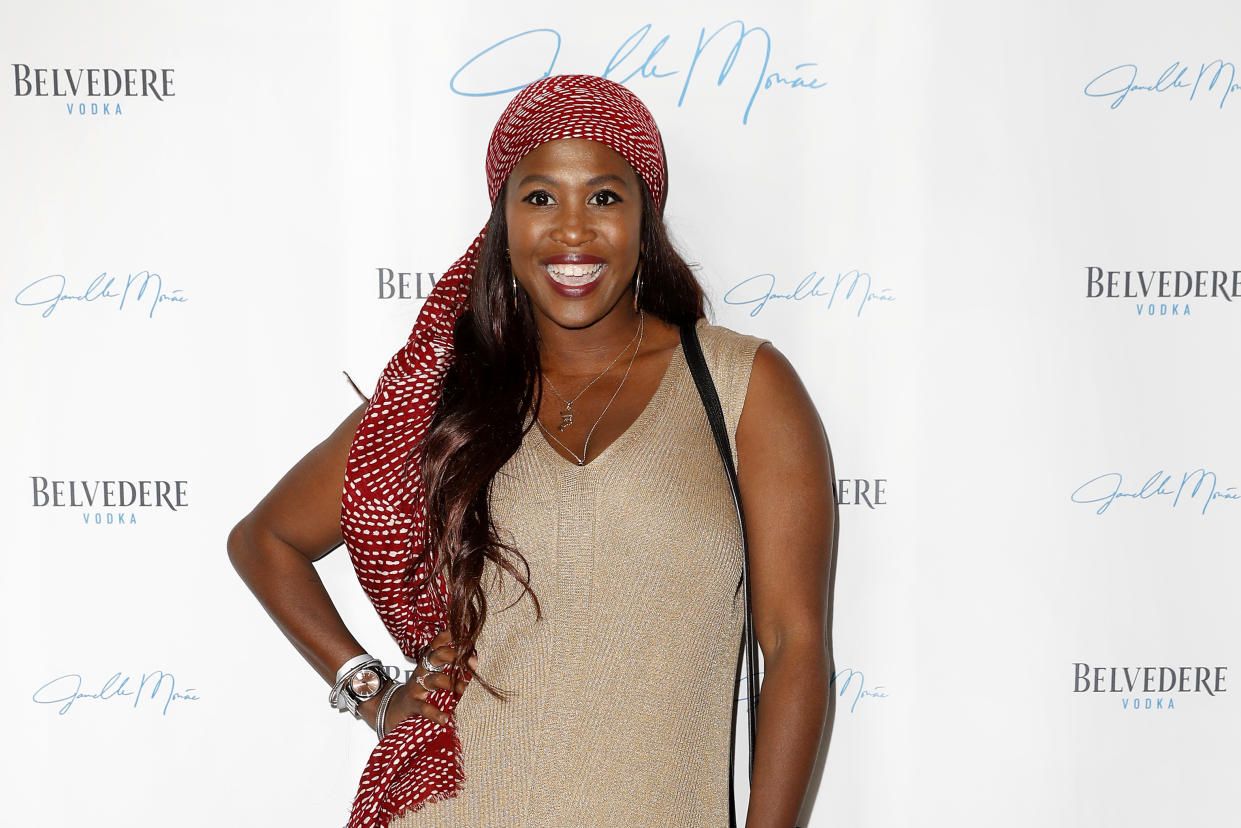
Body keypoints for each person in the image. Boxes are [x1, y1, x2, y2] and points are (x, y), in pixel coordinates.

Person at [228, 74, 836, 828]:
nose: (571, 231)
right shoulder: (440, 399)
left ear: (645, 216)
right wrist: (371, 692)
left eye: (605, 197)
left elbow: (793, 643)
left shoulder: (742, 386)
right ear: (502, 222)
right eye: (539, 197)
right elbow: (265, 539)